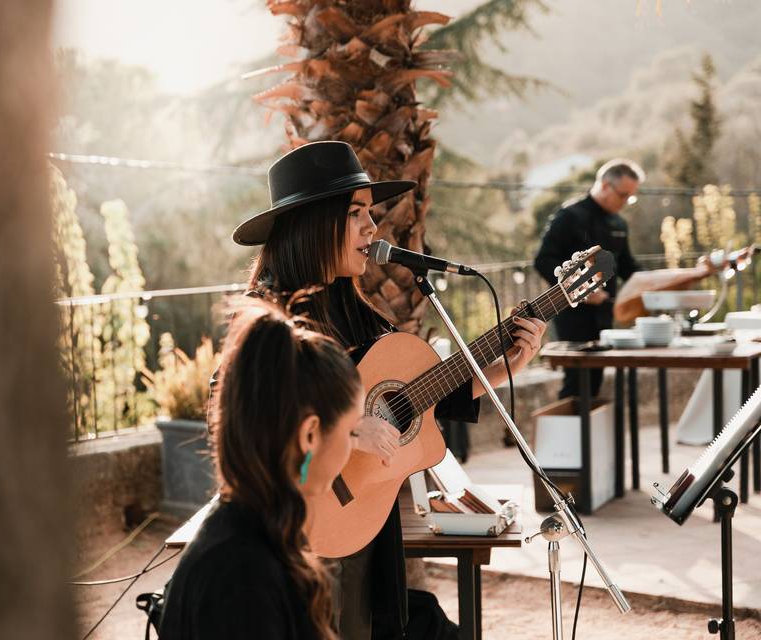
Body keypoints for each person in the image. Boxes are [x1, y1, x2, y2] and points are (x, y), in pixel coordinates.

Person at [230, 140, 547, 639]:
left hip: (362, 524)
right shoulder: (265, 315)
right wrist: (348, 431)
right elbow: (241, 419)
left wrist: (502, 366)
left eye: (370, 214)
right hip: (292, 534)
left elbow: (416, 399)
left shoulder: (355, 309)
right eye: (356, 213)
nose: (372, 228)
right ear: (315, 224)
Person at [159, 299, 368, 639]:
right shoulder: (242, 576)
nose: (351, 447)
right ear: (309, 433)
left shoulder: (256, 531)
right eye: (352, 431)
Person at [534, 159, 646, 399]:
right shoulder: (569, 216)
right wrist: (581, 290)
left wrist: (660, 283)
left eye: (631, 197)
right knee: (576, 383)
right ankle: (570, 435)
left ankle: (587, 435)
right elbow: (543, 261)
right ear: (605, 185)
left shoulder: (619, 223)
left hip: (605, 314)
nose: (626, 202)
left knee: (595, 380)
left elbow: (628, 267)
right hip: (572, 315)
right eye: (623, 195)